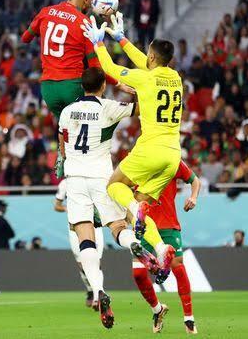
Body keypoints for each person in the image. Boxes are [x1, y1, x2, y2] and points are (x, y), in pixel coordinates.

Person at [82, 11, 182, 281]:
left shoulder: (146, 79)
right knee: (135, 205)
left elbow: (111, 70)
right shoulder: (175, 77)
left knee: (115, 185)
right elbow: (147, 63)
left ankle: (139, 213)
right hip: (173, 156)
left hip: (151, 149)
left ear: (151, 58)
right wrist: (122, 39)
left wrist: (98, 43)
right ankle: (161, 248)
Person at [58, 67, 156, 329]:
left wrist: (63, 160)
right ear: (102, 86)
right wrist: (132, 91)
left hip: (75, 178)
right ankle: (133, 243)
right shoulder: (109, 107)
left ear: (82, 86)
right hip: (101, 176)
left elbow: (62, 144)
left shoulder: (67, 112)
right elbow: (143, 108)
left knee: (84, 234)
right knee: (117, 226)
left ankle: (99, 290)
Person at [20, 0, 132, 177]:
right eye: (91, 3)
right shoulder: (83, 23)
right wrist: (118, 83)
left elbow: (25, 38)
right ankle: (95, 179)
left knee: (67, 127)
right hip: (72, 86)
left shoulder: (46, 12)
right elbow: (96, 66)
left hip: (48, 89)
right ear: (87, 0)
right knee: (96, 126)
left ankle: (62, 157)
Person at [131, 160, 201, 334]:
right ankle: (157, 309)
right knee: (138, 273)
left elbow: (195, 180)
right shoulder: (138, 160)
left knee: (177, 266)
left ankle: (189, 318)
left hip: (169, 225)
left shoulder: (173, 161)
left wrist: (193, 197)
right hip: (145, 225)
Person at [54, 178, 105, 310]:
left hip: (95, 226)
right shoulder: (65, 183)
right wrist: (67, 209)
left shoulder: (95, 179)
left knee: (96, 261)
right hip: (75, 226)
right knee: (82, 264)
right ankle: (90, 290)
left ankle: (97, 296)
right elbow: (56, 205)